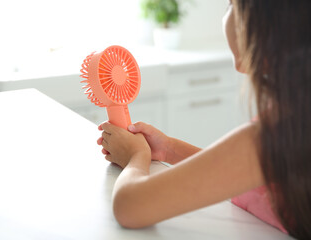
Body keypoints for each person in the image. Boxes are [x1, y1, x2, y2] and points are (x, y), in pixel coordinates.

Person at [97, 0, 311, 239]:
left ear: (267, 27)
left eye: (231, 5)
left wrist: (136, 157)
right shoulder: (295, 124)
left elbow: (131, 207)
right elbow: (238, 172)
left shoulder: (268, 140)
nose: (226, 15)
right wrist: (169, 149)